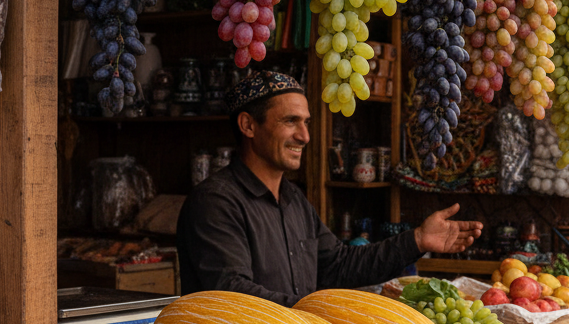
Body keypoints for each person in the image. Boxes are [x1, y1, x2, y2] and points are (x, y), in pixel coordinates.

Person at [177, 72, 482, 305]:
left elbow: (339, 265)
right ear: (248, 125)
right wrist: (323, 313)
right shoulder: (215, 202)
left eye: (306, 122)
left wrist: (416, 240)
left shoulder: (293, 199)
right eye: (291, 121)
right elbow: (233, 294)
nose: (305, 136)